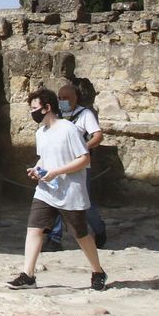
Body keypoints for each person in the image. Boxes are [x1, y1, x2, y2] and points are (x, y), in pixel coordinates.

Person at [8, 88, 107, 291]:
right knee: (34, 228)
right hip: (46, 190)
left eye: (35, 108)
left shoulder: (68, 129)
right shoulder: (40, 133)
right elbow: (45, 158)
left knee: (80, 233)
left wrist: (55, 172)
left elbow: (84, 159)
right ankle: (28, 275)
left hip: (70, 190)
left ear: (47, 107)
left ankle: (97, 270)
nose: (32, 113)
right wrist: (37, 169)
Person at [45, 78, 108, 251]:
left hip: (78, 165)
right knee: (55, 200)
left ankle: (99, 229)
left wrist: (82, 148)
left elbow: (97, 136)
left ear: (75, 98)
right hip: (57, 164)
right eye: (59, 97)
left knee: (83, 203)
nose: (62, 100)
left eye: (65, 97)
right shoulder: (56, 115)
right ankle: (54, 239)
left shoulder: (85, 114)